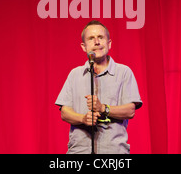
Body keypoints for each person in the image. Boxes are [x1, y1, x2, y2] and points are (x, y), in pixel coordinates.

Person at [55, 20, 142, 154]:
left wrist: (103, 108)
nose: (97, 42)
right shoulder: (75, 74)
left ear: (109, 43)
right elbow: (65, 111)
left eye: (100, 37)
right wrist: (83, 119)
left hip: (114, 153)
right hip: (79, 151)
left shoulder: (123, 72)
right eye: (91, 38)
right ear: (84, 46)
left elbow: (130, 110)